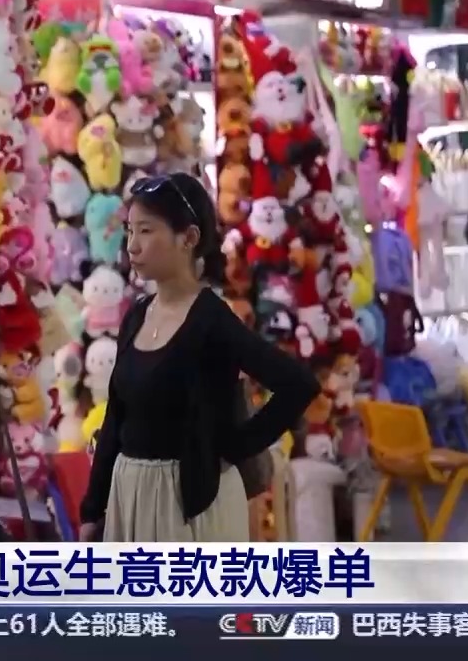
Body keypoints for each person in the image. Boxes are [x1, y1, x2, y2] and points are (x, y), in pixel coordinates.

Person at [79, 172, 319, 542]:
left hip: (188, 504)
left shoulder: (211, 318)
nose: (132, 246)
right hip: (131, 494)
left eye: (146, 231)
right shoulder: (137, 315)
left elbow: (297, 384)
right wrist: (92, 510)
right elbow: (115, 418)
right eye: (129, 231)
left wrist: (233, 446)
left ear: (188, 238)